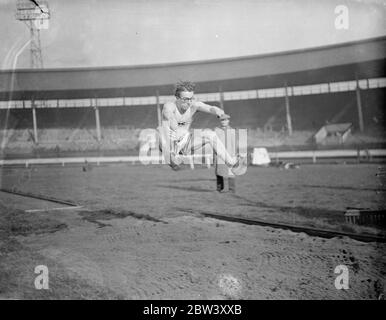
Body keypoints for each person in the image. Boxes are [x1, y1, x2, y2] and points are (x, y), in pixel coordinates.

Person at [158, 81, 247, 175]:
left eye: (190, 99)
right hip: (169, 143)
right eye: (185, 99)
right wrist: (172, 122)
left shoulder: (194, 106)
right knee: (161, 134)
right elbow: (168, 114)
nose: (188, 102)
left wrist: (220, 113)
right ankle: (172, 158)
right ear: (177, 98)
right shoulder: (169, 106)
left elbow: (210, 108)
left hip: (185, 143)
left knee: (210, 135)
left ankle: (232, 163)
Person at [214, 114, 236, 193]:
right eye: (222, 120)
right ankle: (219, 188)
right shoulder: (216, 130)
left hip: (229, 154)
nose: (223, 121)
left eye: (225, 120)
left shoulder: (232, 130)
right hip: (219, 154)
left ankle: (231, 189)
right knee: (218, 172)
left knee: (230, 172)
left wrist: (233, 155)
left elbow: (234, 143)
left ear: (228, 121)